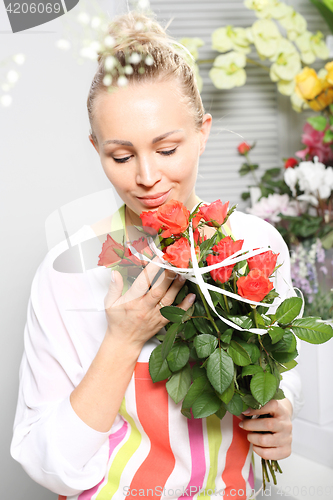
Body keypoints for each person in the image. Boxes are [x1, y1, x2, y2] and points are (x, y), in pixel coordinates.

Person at [10, 10, 302, 500]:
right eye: (120, 156)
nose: (146, 177)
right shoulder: (67, 271)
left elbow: (280, 373)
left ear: (203, 132)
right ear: (95, 147)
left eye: (167, 149)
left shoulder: (258, 247)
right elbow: (46, 464)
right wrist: (122, 342)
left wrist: (281, 413)